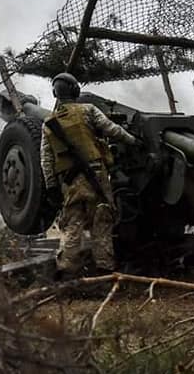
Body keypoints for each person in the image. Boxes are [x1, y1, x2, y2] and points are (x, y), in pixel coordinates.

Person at [39, 72, 140, 278]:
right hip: (96, 175)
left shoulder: (49, 123)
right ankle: (104, 269)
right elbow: (112, 130)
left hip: (68, 181)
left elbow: (46, 160)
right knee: (101, 219)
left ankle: (67, 269)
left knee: (72, 222)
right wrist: (133, 141)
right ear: (75, 90)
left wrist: (51, 187)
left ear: (55, 93)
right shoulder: (88, 110)